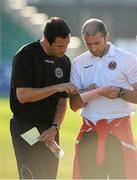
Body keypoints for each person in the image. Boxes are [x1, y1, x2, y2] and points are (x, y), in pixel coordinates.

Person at [10, 17, 79, 179]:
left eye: (67, 45)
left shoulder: (65, 62)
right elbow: (23, 96)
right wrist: (56, 87)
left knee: (49, 177)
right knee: (32, 176)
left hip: (50, 129)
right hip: (26, 127)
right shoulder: (26, 55)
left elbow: (62, 102)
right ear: (46, 41)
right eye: (60, 46)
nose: (64, 49)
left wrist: (55, 127)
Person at [70, 18, 137, 179]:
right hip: (89, 130)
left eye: (98, 43)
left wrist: (120, 92)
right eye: (89, 44)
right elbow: (73, 105)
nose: (94, 48)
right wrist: (88, 93)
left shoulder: (127, 59)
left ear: (107, 36)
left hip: (119, 129)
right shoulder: (78, 63)